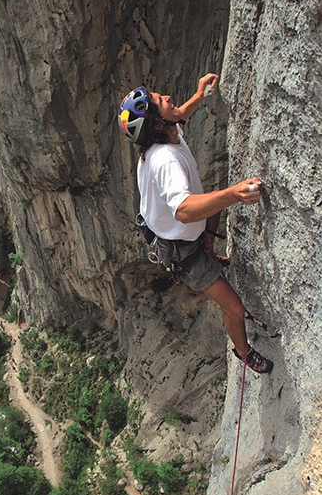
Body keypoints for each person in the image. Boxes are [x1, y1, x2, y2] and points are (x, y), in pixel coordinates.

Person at [117, 74, 273, 374]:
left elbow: (180, 115)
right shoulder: (165, 160)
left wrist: (199, 95)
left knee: (212, 206)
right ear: (155, 123)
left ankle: (211, 252)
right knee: (235, 308)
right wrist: (234, 194)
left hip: (182, 233)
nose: (166, 96)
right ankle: (243, 352)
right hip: (181, 250)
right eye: (158, 100)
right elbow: (185, 211)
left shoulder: (167, 132)